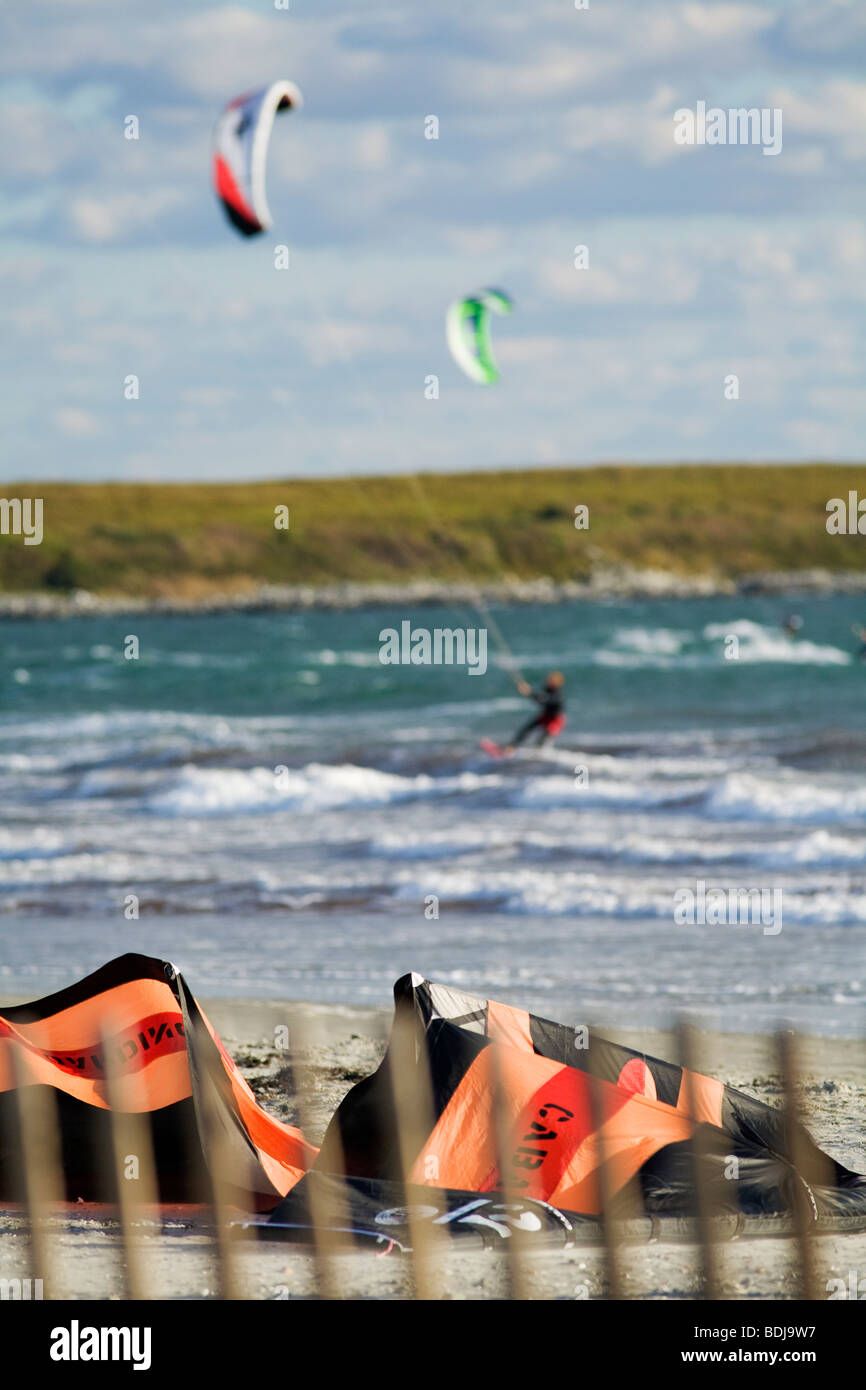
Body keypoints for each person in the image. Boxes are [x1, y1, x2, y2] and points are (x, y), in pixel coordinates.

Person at [504, 671, 566, 754]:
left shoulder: (557, 694)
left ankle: (539, 753)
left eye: (551, 679)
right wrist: (529, 693)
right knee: (526, 729)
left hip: (555, 720)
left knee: (543, 738)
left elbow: (545, 700)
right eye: (549, 679)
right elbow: (540, 700)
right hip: (545, 716)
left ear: (557, 683)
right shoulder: (547, 689)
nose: (548, 680)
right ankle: (511, 748)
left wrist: (530, 693)